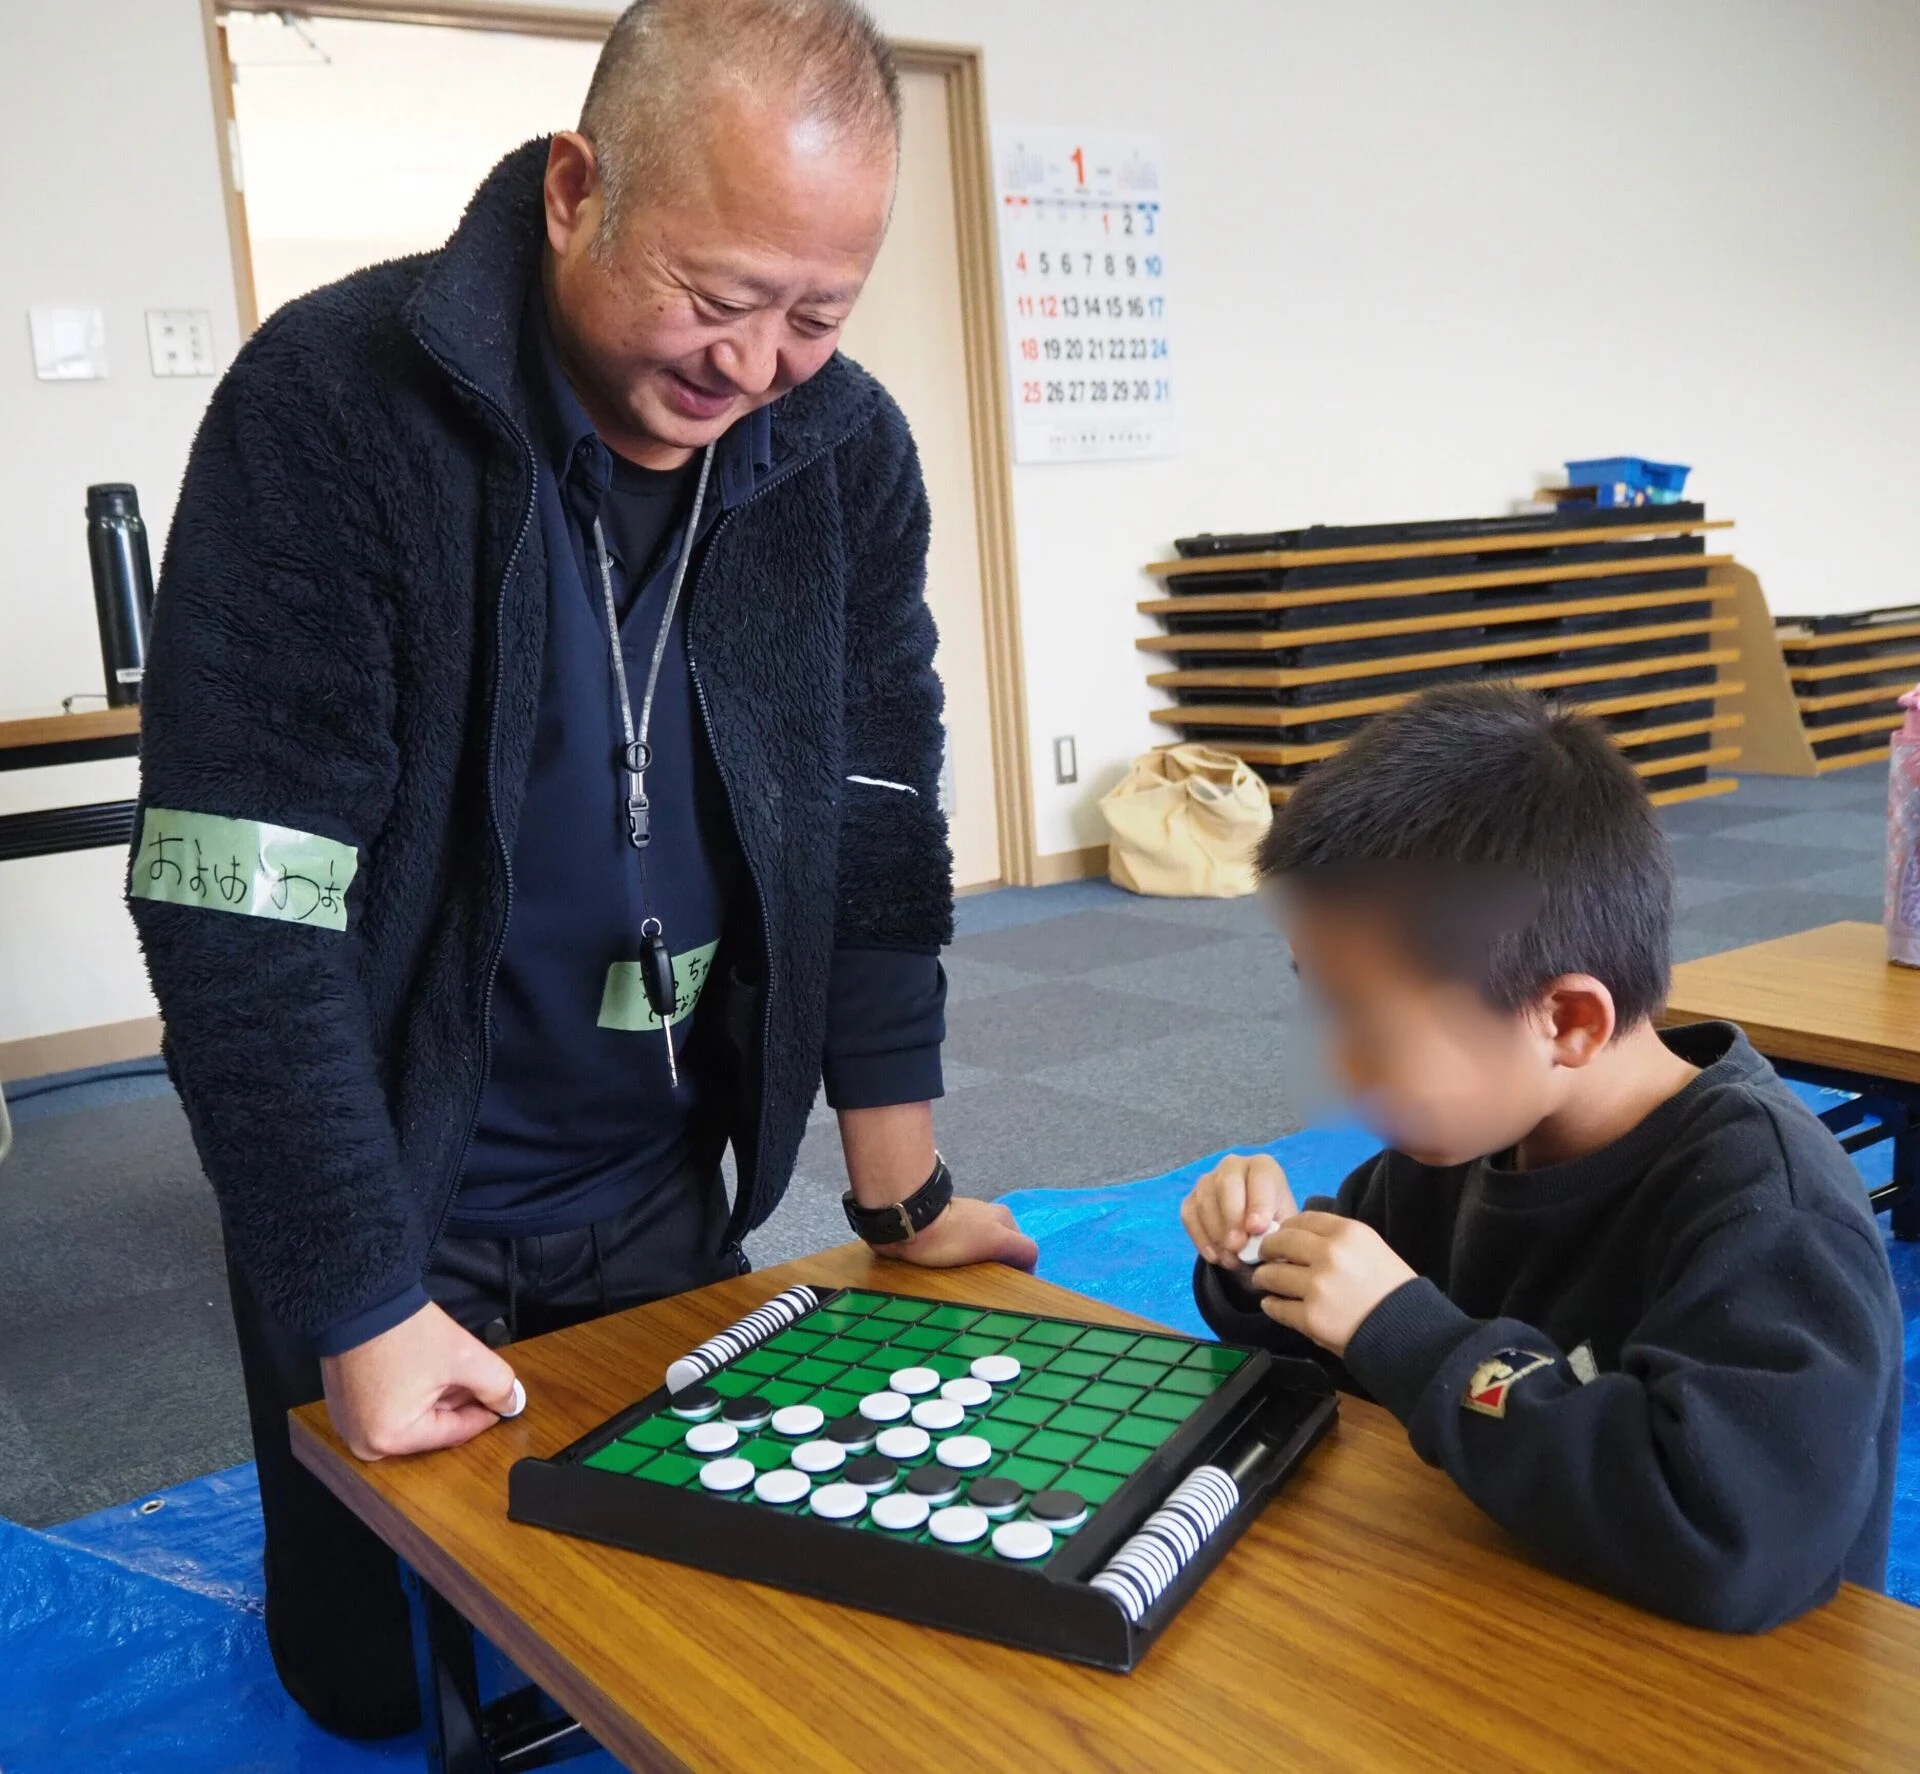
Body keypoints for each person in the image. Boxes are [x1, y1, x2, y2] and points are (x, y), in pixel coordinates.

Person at [128, 0, 1034, 1738]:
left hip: (661, 1160)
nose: (757, 362)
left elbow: (871, 812)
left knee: (669, 1655)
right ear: (574, 191)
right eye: (716, 295)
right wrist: (362, 1294)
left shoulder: (844, 450)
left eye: (818, 313)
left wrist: (899, 1187)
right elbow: (233, 895)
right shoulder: (332, 407)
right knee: (377, 1684)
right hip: (390, 1172)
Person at [1181, 683, 1902, 1632]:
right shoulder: (1450, 1147)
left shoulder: (1769, 1209)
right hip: (1509, 1593)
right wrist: (1257, 1259)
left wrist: (1406, 1332)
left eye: (1370, 1023)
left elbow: (1734, 1542)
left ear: (1566, 1021)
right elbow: (1360, 1358)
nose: (1338, 1064)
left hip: (1720, 1685)